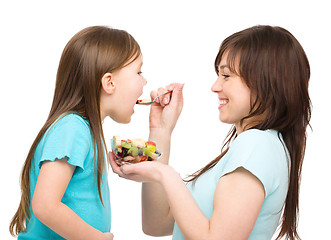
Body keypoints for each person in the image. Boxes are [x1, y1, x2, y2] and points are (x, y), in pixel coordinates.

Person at [110, 25, 311, 240]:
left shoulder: (257, 145)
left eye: (226, 75)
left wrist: (165, 174)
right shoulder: (259, 146)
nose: (215, 86)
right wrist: (161, 131)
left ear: (266, 82)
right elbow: (156, 224)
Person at [9, 25, 148, 239]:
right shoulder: (73, 128)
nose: (144, 81)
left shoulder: (84, 130)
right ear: (109, 82)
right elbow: (45, 205)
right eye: (139, 72)